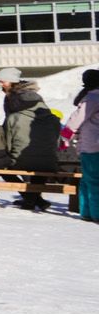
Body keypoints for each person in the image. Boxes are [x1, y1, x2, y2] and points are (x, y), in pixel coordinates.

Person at [4, 78, 63, 213]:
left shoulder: (14, 117)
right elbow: (56, 142)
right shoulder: (54, 119)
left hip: (20, 160)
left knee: (4, 166)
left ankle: (30, 198)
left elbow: (8, 143)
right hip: (49, 162)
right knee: (42, 162)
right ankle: (34, 199)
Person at [67, 71, 99, 223]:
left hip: (91, 144)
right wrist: (65, 136)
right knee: (93, 180)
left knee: (89, 179)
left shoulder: (91, 97)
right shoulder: (93, 97)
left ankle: (87, 211)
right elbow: (77, 120)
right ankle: (95, 212)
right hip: (93, 145)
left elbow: (75, 120)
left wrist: (64, 136)